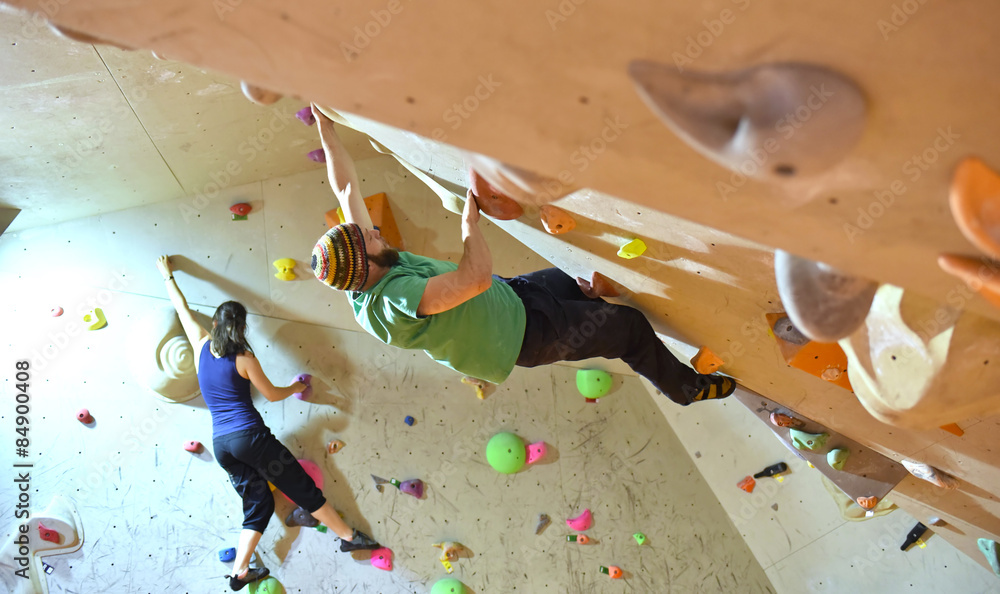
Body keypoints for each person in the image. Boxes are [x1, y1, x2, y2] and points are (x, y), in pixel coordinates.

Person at [307, 106, 735, 406]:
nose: (374, 231)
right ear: (366, 265)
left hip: (512, 297)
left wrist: (324, 124)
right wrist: (470, 226)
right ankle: (685, 388)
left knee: (576, 278)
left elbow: (345, 189)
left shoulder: (362, 266)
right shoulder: (394, 303)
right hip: (528, 335)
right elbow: (473, 278)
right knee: (629, 329)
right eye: (369, 238)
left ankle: (587, 298)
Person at [155, 255, 380, 592]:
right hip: (251, 439)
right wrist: (296, 387)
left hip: (222, 445)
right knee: (302, 488)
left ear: (214, 324)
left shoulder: (200, 345)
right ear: (242, 330)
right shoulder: (243, 358)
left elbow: (182, 308)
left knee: (258, 505)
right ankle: (349, 537)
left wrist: (168, 276)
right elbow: (272, 395)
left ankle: (240, 572)